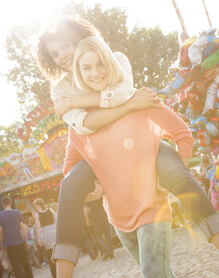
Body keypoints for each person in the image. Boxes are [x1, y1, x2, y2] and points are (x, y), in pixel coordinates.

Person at [37, 17, 219, 276]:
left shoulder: (128, 83)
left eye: (67, 46)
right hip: (118, 215)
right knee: (158, 274)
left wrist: (178, 165)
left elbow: (177, 129)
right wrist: (89, 190)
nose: (63, 55)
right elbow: (75, 147)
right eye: (55, 53)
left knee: (155, 271)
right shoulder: (67, 102)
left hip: (151, 207)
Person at [0, 196, 33, 278]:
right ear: (10, 203)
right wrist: (26, 241)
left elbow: (1, 231)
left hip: (9, 243)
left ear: (2, 204)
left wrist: (2, 244)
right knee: (25, 262)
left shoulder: (0, 215)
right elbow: (22, 227)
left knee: (15, 265)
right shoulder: (17, 212)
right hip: (20, 241)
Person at [33, 198, 56, 278]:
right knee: (57, 252)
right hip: (54, 231)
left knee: (50, 255)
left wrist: (39, 239)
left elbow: (38, 228)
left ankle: (55, 274)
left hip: (46, 234)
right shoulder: (50, 210)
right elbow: (55, 221)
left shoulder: (37, 215)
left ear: (37, 205)